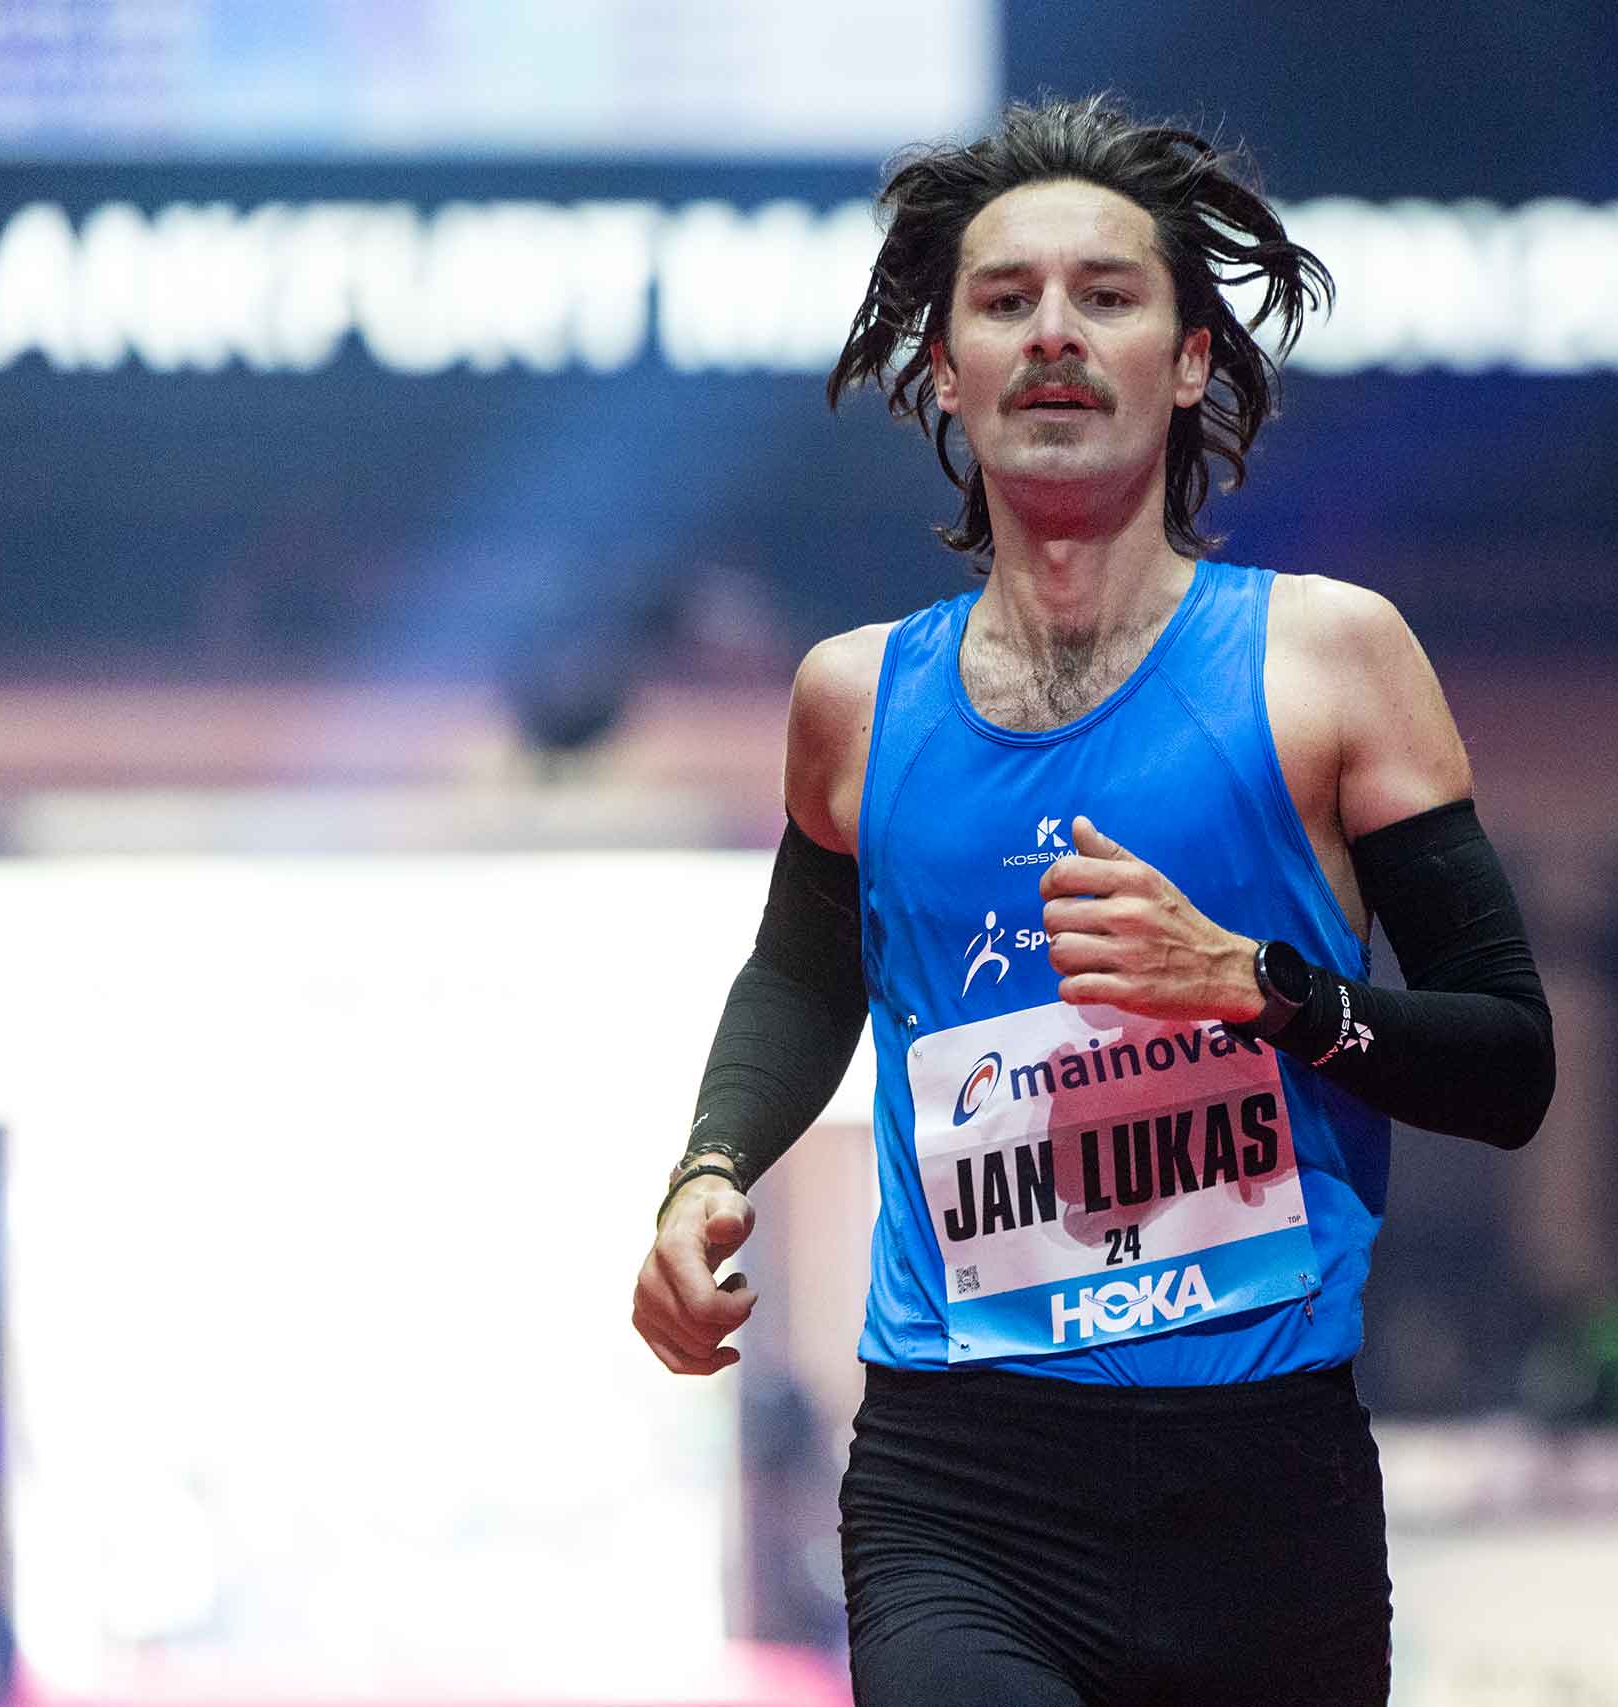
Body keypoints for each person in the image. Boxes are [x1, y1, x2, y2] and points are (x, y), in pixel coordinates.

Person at [629, 94, 1555, 1707]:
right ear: (946, 370)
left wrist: (1261, 988)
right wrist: (706, 1170)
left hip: (1266, 1495)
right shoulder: (855, 701)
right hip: (962, 1489)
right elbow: (802, 979)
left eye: (1106, 295)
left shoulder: (1330, 660)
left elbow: (1510, 1063)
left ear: (1189, 360)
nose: (1053, 332)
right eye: (1006, 301)